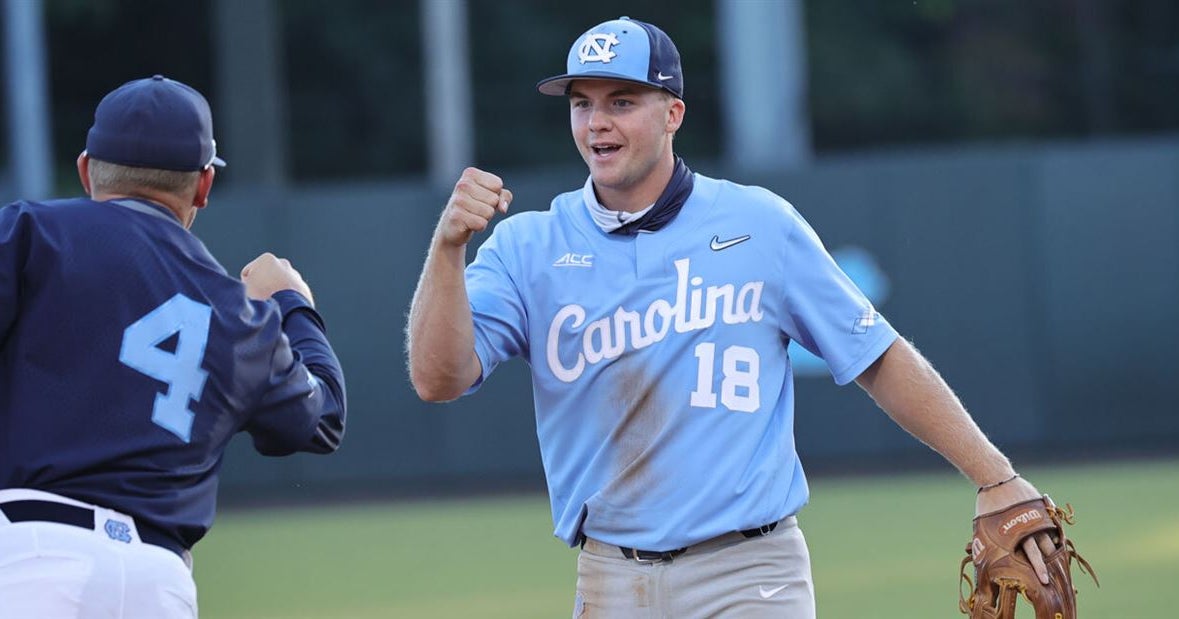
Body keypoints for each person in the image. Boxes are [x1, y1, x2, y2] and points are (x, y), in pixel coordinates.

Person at [406, 17, 1056, 618]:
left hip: (749, 572)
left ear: (673, 113)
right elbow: (439, 378)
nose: (596, 122)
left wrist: (994, 476)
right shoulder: (527, 247)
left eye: (621, 102)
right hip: (609, 578)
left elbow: (876, 356)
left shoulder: (757, 224)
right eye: (582, 103)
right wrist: (447, 248)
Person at [0, 75, 346, 618]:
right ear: (204, 186)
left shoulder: (28, 233)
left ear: (87, 169)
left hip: (29, 555)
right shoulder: (241, 314)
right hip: (157, 581)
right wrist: (292, 305)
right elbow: (322, 419)